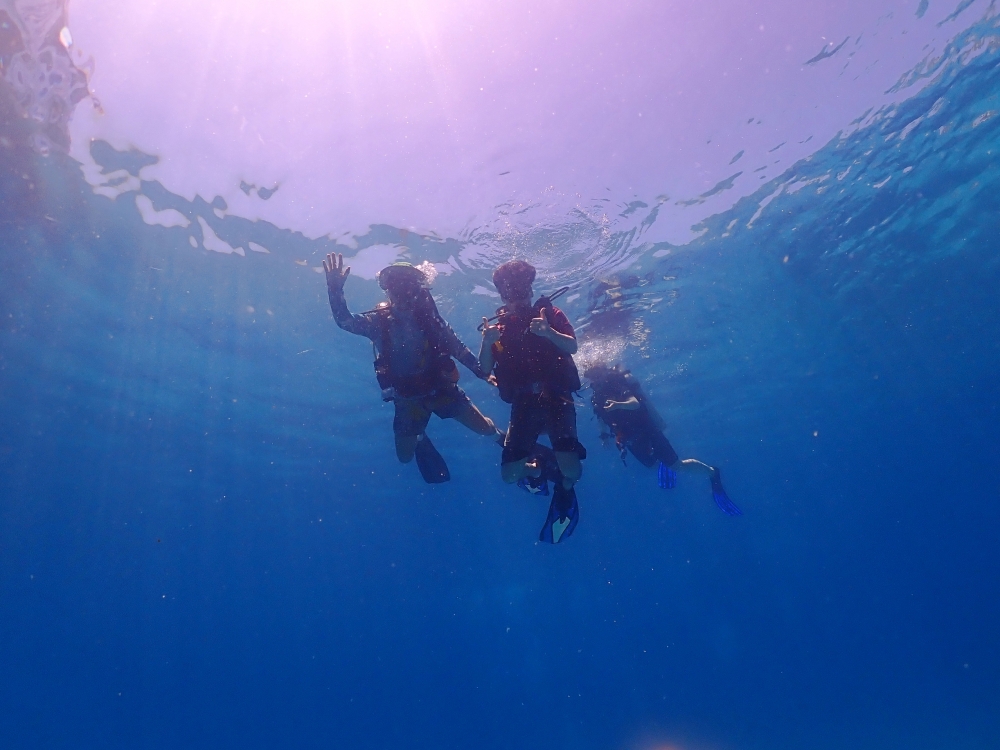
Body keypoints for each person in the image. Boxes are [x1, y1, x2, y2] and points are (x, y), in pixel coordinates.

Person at [324, 253, 501, 483]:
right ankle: (420, 436)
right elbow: (344, 321)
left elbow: (458, 349)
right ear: (388, 291)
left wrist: (481, 372)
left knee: (485, 429)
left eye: (407, 287)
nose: (403, 293)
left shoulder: (433, 322)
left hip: (441, 389)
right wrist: (335, 289)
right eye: (396, 287)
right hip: (407, 399)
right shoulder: (379, 322)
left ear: (418, 290)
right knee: (405, 458)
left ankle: (499, 437)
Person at [479, 259, 585, 542]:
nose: (517, 297)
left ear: (530, 289)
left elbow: (572, 346)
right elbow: (485, 368)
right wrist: (486, 343)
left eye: (522, 289)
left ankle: (562, 479)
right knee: (509, 475)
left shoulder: (550, 313)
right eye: (510, 292)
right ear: (502, 296)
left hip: (557, 397)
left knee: (573, 473)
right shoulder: (498, 329)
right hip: (524, 404)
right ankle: (538, 466)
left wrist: (549, 332)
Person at [586, 363, 741, 515]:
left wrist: (617, 405)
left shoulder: (617, 385)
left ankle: (712, 473)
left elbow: (634, 403)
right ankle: (662, 460)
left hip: (647, 431)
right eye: (592, 377)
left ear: (604, 373)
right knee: (651, 465)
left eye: (598, 374)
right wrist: (603, 435)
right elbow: (601, 417)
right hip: (630, 438)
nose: (596, 379)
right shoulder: (596, 398)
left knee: (677, 466)